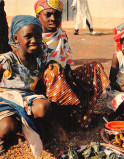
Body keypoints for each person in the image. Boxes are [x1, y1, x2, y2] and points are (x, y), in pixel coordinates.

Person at [34, 0, 109, 128]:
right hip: (45, 84)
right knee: (53, 72)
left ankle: (83, 117)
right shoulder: (34, 38)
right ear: (38, 17)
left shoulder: (61, 35)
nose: (53, 18)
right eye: (48, 15)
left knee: (95, 67)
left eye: (57, 15)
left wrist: (74, 81)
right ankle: (56, 122)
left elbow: (66, 64)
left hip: (64, 78)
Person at [0, 15, 52, 157]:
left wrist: (55, 64)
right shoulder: (7, 59)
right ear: (16, 38)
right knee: (5, 128)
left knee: (43, 107)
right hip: (7, 100)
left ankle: (21, 127)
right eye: (28, 36)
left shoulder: (40, 57)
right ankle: (15, 129)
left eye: (37, 36)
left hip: (28, 100)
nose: (34, 40)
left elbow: (52, 62)